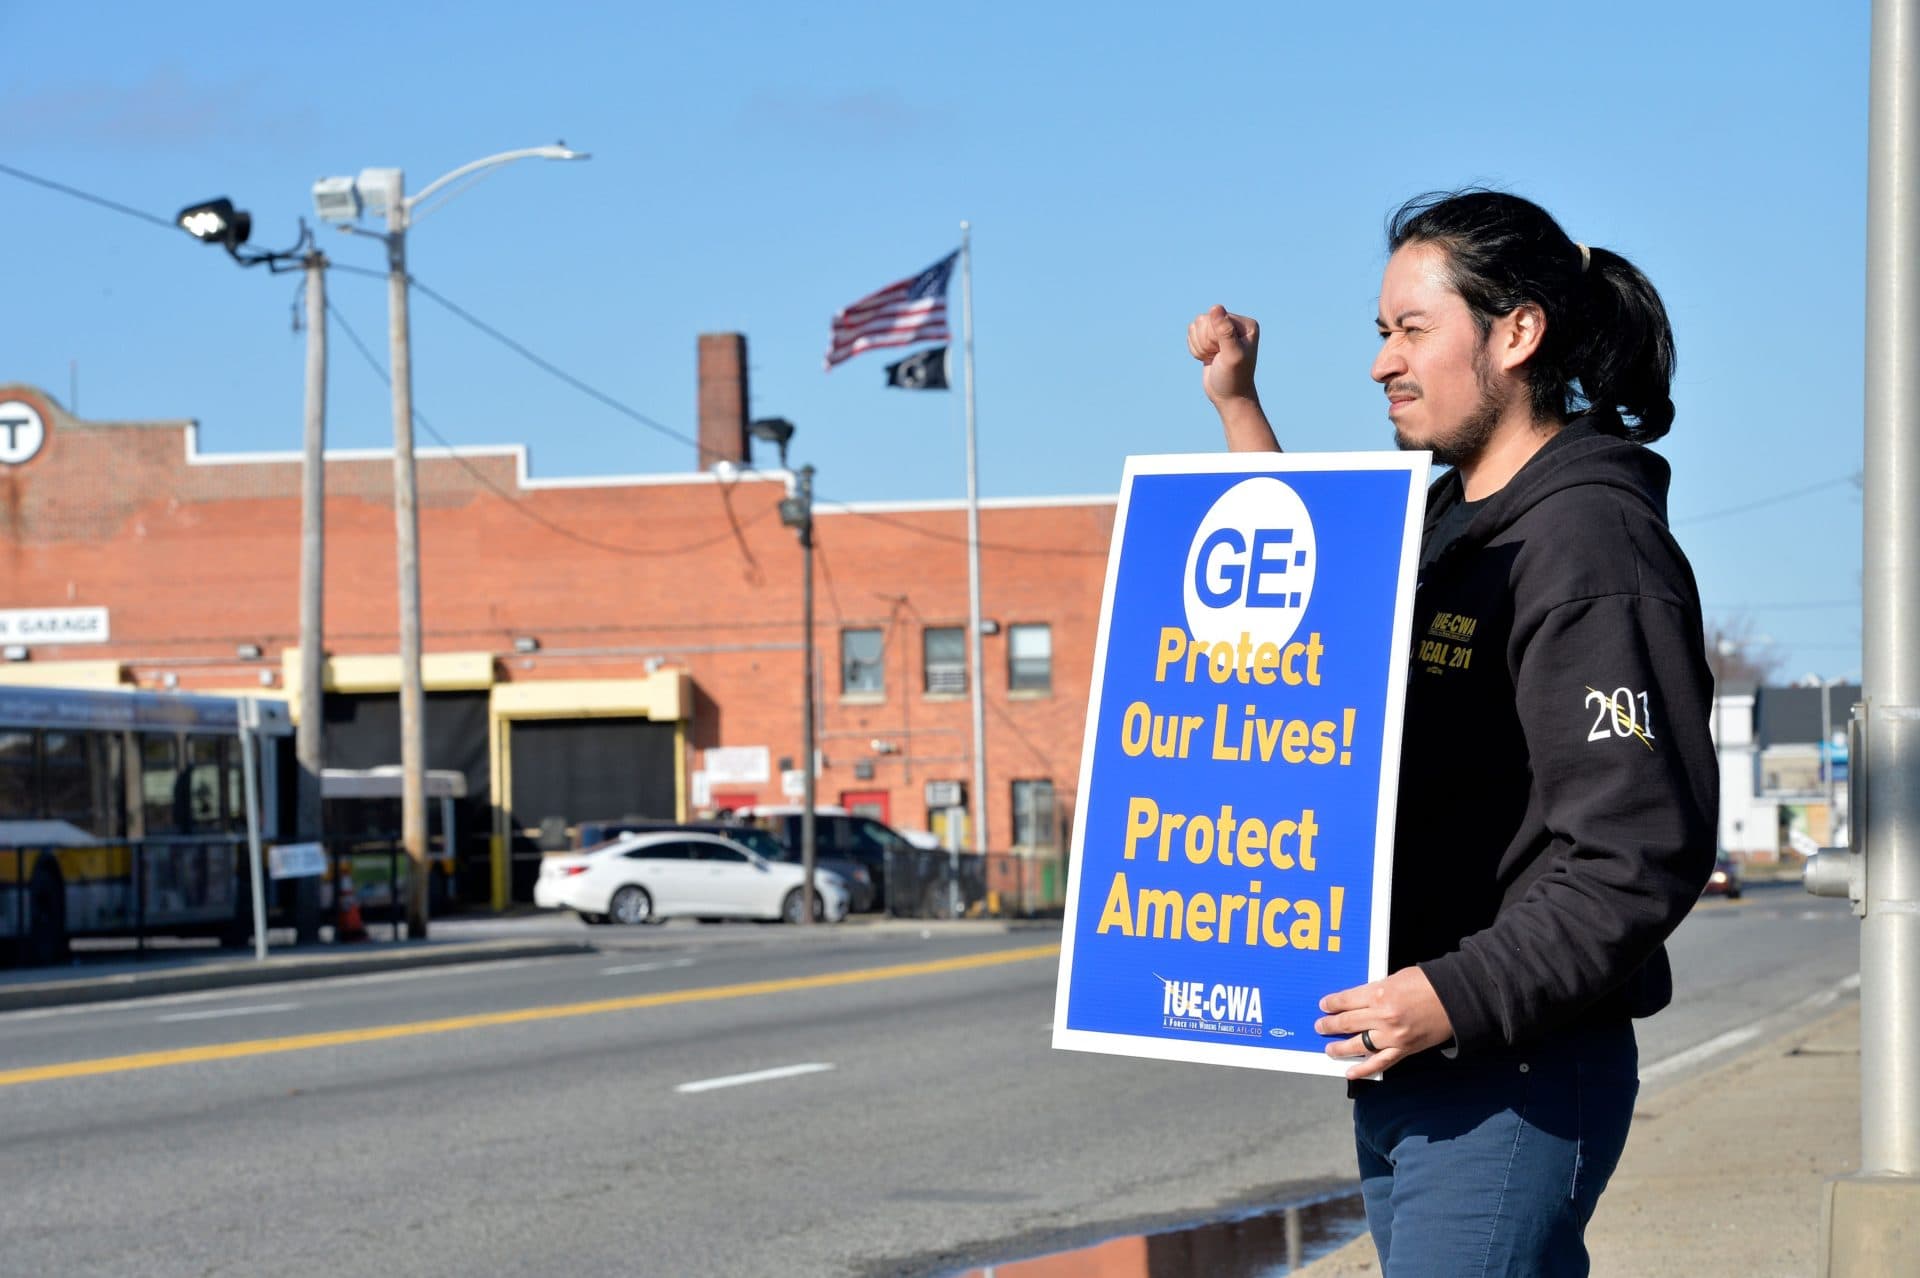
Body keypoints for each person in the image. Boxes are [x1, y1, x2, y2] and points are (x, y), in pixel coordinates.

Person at [1188, 190, 1718, 1276]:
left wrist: (1451, 997)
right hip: (1414, 1057)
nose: (1384, 362)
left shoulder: (1591, 547)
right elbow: (1307, 609)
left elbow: (1634, 854)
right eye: (1381, 333)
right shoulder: (1450, 523)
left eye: (1412, 330)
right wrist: (1239, 405)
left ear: (1518, 333)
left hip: (1513, 1066)